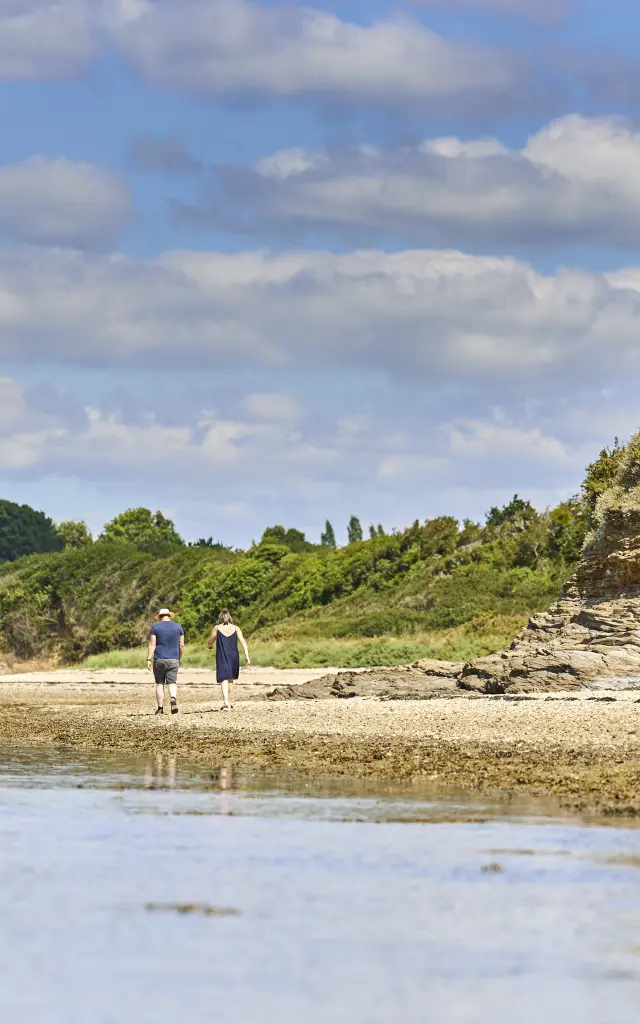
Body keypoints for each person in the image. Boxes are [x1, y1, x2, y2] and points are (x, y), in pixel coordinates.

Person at [207, 610, 250, 711]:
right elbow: (243, 641)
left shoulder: (217, 628)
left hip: (222, 655)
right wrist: (247, 655)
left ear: (220, 618)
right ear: (230, 617)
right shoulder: (236, 628)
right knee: (230, 679)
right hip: (234, 655)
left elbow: (211, 640)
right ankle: (229, 703)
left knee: (223, 678)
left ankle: (226, 702)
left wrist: (210, 645)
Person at [147, 608, 184, 715]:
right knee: (172, 682)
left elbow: (152, 645)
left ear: (159, 616)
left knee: (159, 683)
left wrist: (148, 659)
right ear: (169, 615)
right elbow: (181, 645)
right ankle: (173, 697)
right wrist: (179, 657)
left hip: (159, 659)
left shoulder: (155, 626)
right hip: (173, 658)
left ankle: (160, 708)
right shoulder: (178, 626)